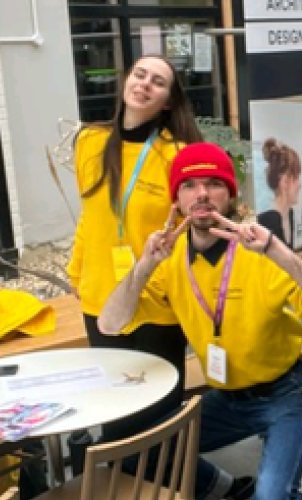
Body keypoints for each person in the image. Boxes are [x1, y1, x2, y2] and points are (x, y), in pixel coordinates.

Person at [98, 142, 302, 500]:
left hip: (286, 393)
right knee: (142, 452)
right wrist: (144, 265)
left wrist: (278, 251)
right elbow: (110, 323)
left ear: (230, 195)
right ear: (177, 199)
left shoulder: (259, 252)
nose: (202, 194)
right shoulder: (170, 261)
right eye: (190, 185)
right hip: (227, 399)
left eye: (214, 184)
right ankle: (240, 499)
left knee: (278, 498)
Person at [67, 55, 201, 445]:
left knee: (158, 416)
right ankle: (128, 497)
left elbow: (185, 232)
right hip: (101, 299)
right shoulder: (90, 142)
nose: (145, 84)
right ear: (126, 81)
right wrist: (78, 272)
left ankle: (174, 497)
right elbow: (90, 216)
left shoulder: (176, 154)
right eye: (139, 75)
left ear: (169, 101)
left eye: (158, 82)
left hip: (155, 301)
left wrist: (156, 284)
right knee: (117, 416)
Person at [257, 137, 301, 247]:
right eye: (296, 178)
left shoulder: (290, 214)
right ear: (285, 181)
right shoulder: (268, 220)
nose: (300, 185)